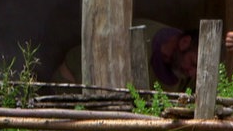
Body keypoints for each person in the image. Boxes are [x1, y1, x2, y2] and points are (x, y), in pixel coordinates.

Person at [53, 18, 199, 93]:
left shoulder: (186, 75)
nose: (192, 73)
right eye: (192, 63)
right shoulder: (137, 39)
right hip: (73, 87)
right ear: (184, 42)